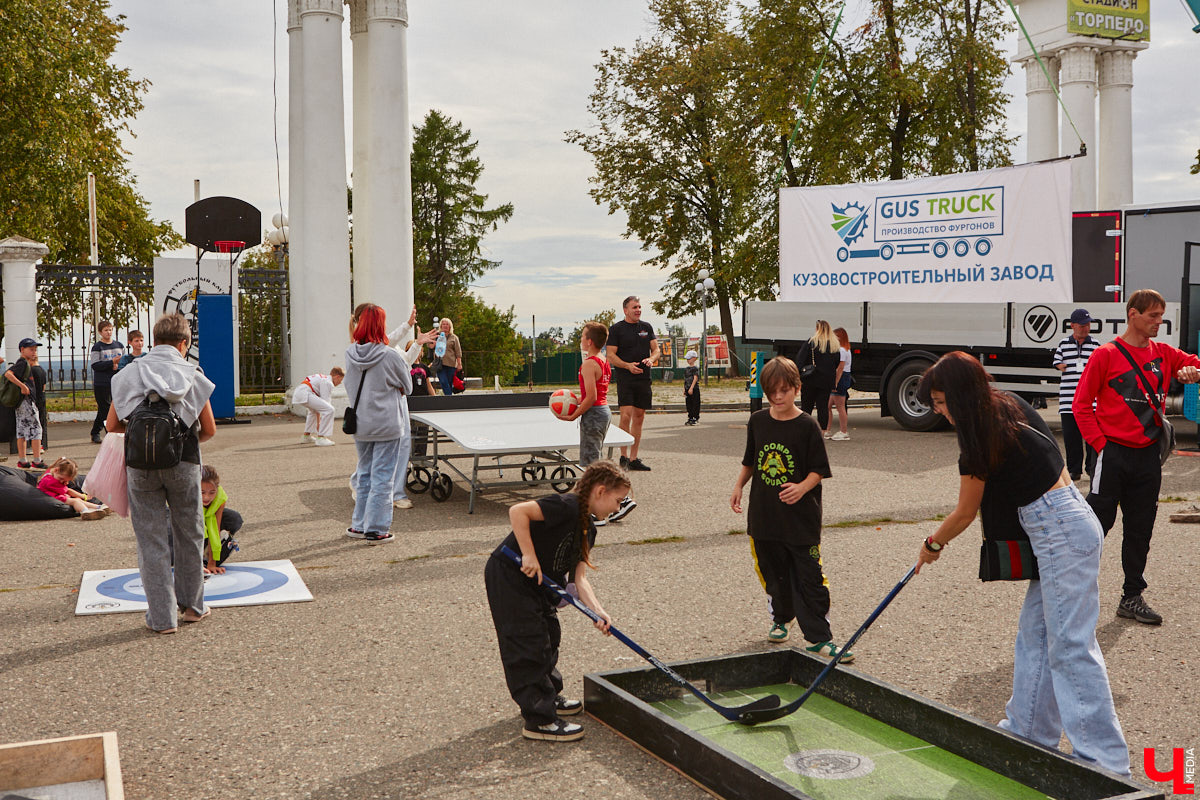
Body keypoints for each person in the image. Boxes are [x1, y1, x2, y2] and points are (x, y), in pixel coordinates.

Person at [914, 350, 1130, 777]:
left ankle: (1106, 764)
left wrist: (931, 545)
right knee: (1036, 637)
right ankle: (1028, 732)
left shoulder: (979, 441)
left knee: (1070, 646)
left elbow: (963, 513)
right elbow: (1052, 460)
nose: (940, 412)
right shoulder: (1007, 403)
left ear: (958, 395)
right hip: (1066, 519)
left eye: (940, 402)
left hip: (1060, 530)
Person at [1073, 289, 1200, 625]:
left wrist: (1192, 372)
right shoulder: (1106, 355)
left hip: (1147, 458)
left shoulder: (1163, 353)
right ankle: (1074, 592)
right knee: (1094, 527)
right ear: (1133, 314)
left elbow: (1194, 364)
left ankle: (1131, 596)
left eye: (1161, 316)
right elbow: (1080, 405)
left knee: (1140, 529)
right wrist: (1101, 446)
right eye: (1152, 316)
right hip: (1112, 454)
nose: (1159, 322)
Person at [484, 460, 629, 742]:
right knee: (528, 642)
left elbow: (579, 579)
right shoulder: (567, 505)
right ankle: (539, 720)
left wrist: (599, 612)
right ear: (600, 491)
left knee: (550, 634)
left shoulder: (589, 527)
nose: (618, 508)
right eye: (618, 500)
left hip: (538, 583)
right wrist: (528, 554)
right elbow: (518, 511)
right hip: (509, 575)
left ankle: (548, 696)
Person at [729, 356, 852, 661]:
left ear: (797, 388)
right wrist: (738, 486)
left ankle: (819, 638)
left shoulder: (807, 425)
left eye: (784, 390)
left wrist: (801, 488)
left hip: (800, 520)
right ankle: (781, 619)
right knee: (774, 575)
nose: (778, 397)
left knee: (809, 577)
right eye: (772, 392)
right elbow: (750, 460)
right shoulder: (757, 420)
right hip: (764, 517)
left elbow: (819, 470)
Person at [106, 313, 217, 635]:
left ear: (154, 340)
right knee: (189, 533)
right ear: (184, 343)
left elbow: (112, 425)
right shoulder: (192, 373)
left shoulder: (130, 373)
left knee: (151, 539)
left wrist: (146, 439)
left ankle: (162, 619)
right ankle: (194, 608)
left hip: (140, 465)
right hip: (183, 462)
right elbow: (208, 429)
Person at [344, 304, 412, 542]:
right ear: (380, 325)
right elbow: (408, 387)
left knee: (364, 474)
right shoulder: (389, 355)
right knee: (383, 477)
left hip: (361, 423)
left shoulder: (350, 353)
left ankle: (358, 525)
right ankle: (376, 528)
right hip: (387, 424)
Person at [566, 322, 634, 526]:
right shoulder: (602, 360)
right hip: (603, 411)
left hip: (594, 413)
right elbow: (594, 393)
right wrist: (576, 399)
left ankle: (609, 507)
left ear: (589, 341)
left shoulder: (588, 364)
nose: (580, 340)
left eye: (582, 337)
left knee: (591, 465)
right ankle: (614, 503)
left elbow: (591, 398)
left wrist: (573, 415)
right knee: (596, 461)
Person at [605, 296, 658, 471]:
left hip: (643, 377)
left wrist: (651, 359)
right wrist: (627, 366)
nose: (638, 310)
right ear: (625, 310)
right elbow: (611, 355)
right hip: (625, 378)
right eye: (634, 307)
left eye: (640, 307)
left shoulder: (646, 327)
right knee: (626, 415)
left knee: (639, 416)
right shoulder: (616, 329)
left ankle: (634, 458)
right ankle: (623, 456)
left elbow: (656, 350)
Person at [1053, 309, 1100, 481]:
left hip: (1090, 402)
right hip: (1068, 400)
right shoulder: (1064, 344)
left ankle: (1091, 467)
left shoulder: (1095, 345)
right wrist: (1061, 365)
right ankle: (1074, 470)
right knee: (1071, 438)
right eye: (1082, 325)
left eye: (1088, 325)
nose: (1086, 328)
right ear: (1072, 326)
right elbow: (1057, 361)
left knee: (1092, 438)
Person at [5, 338, 45, 469]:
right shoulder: (22, 363)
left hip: (21, 402)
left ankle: (22, 460)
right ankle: (37, 460)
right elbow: (8, 374)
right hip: (26, 401)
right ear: (22, 350)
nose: (34, 352)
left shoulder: (24, 363)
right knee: (36, 429)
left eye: (35, 350)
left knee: (21, 430)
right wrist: (23, 386)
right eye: (31, 349)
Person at [794, 320, 840, 435]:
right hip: (826, 381)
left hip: (810, 380)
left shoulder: (811, 343)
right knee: (823, 407)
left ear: (817, 329)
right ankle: (823, 431)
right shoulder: (834, 345)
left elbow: (799, 361)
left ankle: (804, 430)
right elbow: (837, 363)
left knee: (806, 406)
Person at [200, 464, 243, 575]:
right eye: (202, 492)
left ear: (217, 489)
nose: (206, 497)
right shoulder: (189, 496)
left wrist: (212, 563)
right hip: (176, 522)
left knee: (234, 519)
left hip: (206, 519)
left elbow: (215, 528)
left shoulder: (220, 498)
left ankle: (206, 554)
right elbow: (187, 533)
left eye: (212, 492)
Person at [37, 457, 108, 519]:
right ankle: (85, 511)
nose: (62, 482)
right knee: (75, 501)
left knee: (77, 500)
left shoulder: (52, 474)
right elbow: (66, 491)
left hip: (54, 495)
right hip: (52, 497)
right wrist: (83, 496)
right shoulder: (50, 480)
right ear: (56, 470)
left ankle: (98, 507)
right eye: (61, 479)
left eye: (65, 481)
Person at [89, 320, 123, 443]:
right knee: (105, 409)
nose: (108, 332)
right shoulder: (98, 347)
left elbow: (122, 362)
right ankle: (111, 434)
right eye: (105, 330)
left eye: (110, 329)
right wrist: (111, 363)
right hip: (102, 383)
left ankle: (95, 431)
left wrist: (117, 366)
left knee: (107, 408)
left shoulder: (119, 345)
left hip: (115, 381)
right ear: (100, 332)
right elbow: (95, 365)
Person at [293, 367, 344, 446]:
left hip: (299, 392)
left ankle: (306, 436)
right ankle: (321, 437)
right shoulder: (328, 382)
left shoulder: (323, 378)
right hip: (305, 393)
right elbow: (325, 404)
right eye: (340, 380)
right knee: (330, 410)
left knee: (313, 411)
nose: (340, 383)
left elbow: (319, 407)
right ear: (337, 376)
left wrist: (319, 421)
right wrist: (319, 423)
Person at [825, 327, 853, 441]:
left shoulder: (841, 350)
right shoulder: (847, 349)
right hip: (844, 377)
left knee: (840, 406)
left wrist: (835, 382)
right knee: (828, 405)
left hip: (840, 378)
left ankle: (844, 431)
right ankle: (827, 429)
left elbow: (840, 368)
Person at [434, 317, 463, 397]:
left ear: (450, 326)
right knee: (443, 381)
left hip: (451, 364)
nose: (445, 326)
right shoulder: (437, 336)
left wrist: (459, 364)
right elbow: (430, 346)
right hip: (440, 363)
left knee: (449, 383)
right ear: (441, 326)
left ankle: (448, 399)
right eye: (443, 324)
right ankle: (449, 398)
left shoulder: (454, 338)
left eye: (447, 324)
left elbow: (458, 351)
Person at [683, 349, 700, 426]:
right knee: (688, 404)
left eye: (689, 358)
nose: (688, 360)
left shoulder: (695, 369)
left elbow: (695, 378)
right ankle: (690, 417)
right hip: (687, 388)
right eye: (687, 359)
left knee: (695, 403)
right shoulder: (686, 369)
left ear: (694, 358)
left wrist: (691, 388)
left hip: (694, 388)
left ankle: (695, 418)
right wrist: (684, 389)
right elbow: (685, 379)